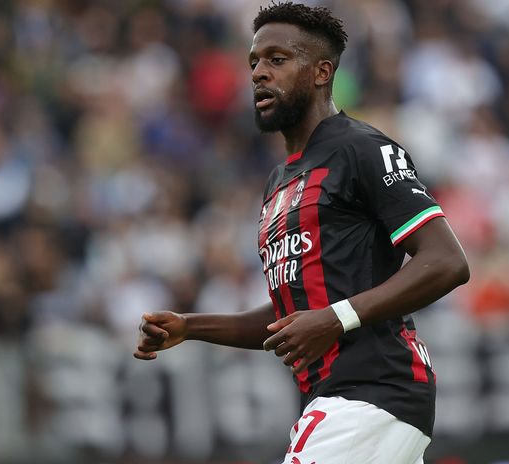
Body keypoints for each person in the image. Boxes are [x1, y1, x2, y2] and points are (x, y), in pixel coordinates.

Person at [134, 2, 469, 463]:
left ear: (321, 72)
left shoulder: (362, 149)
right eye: (254, 62)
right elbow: (295, 312)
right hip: (339, 398)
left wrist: (335, 318)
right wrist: (191, 327)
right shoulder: (278, 182)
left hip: (373, 391)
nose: (258, 73)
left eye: (277, 59)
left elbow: (447, 261)